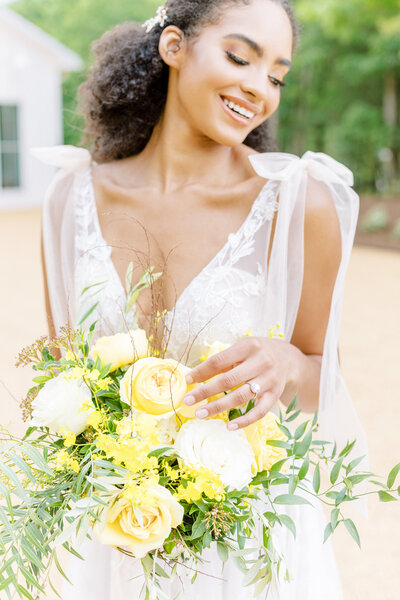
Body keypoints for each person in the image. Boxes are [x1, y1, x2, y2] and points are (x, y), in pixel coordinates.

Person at [35, 0, 368, 597]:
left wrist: (288, 362)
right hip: (108, 533)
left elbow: (325, 377)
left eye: (276, 77)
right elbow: (62, 374)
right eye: (239, 57)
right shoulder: (69, 198)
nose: (258, 88)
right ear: (173, 47)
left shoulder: (300, 204)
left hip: (247, 544)